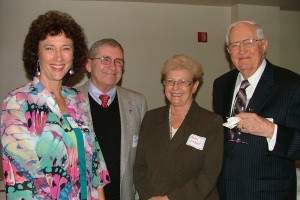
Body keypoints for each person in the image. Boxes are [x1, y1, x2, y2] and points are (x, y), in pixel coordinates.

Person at [0, 10, 110, 200]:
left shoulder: (78, 100)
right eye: (50, 48)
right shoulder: (17, 103)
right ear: (36, 53)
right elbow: (22, 183)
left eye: (66, 48)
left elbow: (95, 167)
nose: (59, 57)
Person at [213, 20, 300, 200]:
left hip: (270, 193)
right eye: (235, 45)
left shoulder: (291, 84)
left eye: (248, 42)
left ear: (264, 45)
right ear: (228, 51)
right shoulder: (221, 84)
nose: (242, 50)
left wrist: (270, 130)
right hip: (226, 191)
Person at [134, 54, 223, 200]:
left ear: (194, 86)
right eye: (170, 81)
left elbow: (209, 174)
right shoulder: (151, 118)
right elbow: (140, 167)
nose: (175, 87)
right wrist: (150, 196)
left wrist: (170, 199)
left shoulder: (210, 122)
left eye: (183, 82)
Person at [78, 38, 147, 200]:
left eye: (119, 61)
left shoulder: (138, 102)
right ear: (88, 65)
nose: (113, 67)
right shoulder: (69, 100)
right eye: (105, 60)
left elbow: (143, 156)